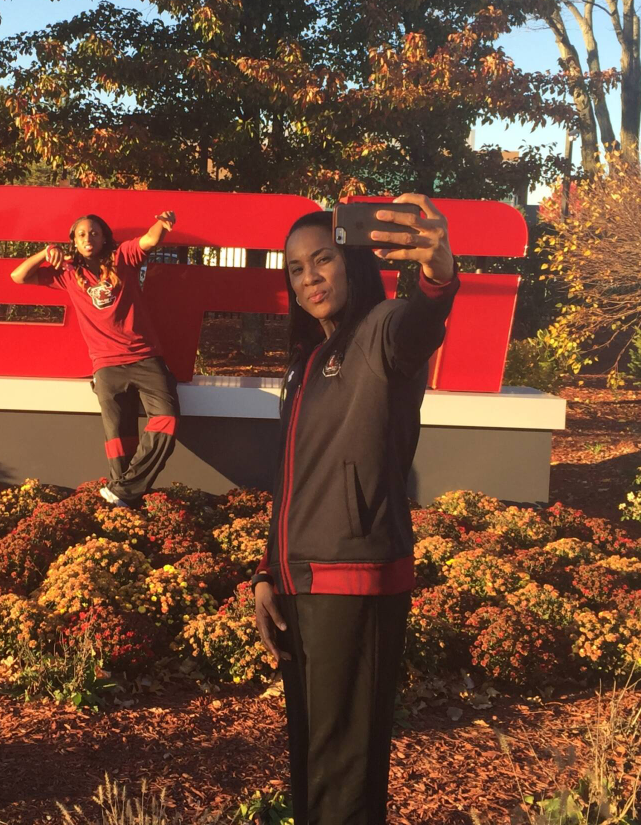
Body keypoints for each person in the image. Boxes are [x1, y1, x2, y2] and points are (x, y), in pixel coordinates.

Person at [251, 195, 458, 825]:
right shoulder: (307, 361)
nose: (309, 278)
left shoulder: (379, 334)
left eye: (323, 260)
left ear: (353, 262)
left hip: (355, 579)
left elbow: (419, 323)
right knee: (315, 761)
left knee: (344, 772)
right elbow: (294, 480)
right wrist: (267, 572)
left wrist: (438, 275)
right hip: (302, 582)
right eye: (295, 269)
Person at [11, 211, 180, 508]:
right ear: (74, 242)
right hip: (106, 365)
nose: (88, 238)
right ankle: (124, 502)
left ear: (104, 238)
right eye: (81, 234)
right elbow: (18, 276)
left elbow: (150, 240)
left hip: (145, 357)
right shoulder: (66, 273)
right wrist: (45, 253)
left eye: (94, 233)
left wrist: (162, 223)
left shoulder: (123, 257)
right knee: (118, 438)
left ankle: (122, 490)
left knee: (167, 420)